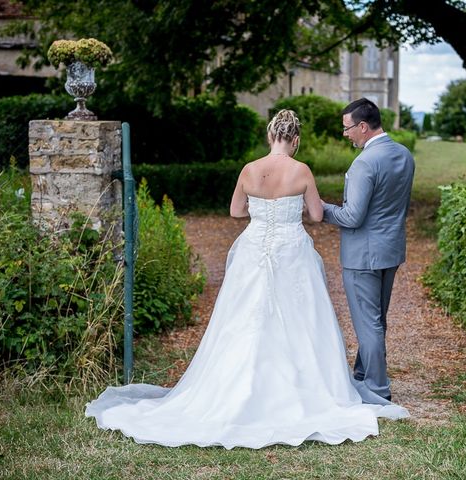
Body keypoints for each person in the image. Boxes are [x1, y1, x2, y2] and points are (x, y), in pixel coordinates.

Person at [85, 109, 409, 450]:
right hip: (291, 252)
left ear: (271, 137)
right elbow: (316, 215)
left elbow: (236, 211)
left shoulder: (249, 170)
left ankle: (235, 389)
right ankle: (302, 389)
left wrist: (263, 209)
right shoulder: (301, 171)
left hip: (253, 249)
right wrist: (292, 208)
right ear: (294, 139)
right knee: (300, 319)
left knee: (244, 317)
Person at [322, 98, 415, 402]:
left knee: (369, 323)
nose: (345, 134)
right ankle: (362, 374)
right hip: (391, 250)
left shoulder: (364, 162)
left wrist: (320, 208)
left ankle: (377, 388)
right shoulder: (404, 155)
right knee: (376, 319)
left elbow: (352, 216)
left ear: (363, 126)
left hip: (363, 255)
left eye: (347, 128)